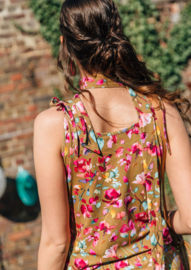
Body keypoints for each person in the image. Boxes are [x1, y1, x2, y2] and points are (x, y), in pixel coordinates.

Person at [33, 0, 191, 269]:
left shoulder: (54, 125)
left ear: (65, 45)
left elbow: (57, 243)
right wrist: (156, 221)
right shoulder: (161, 111)